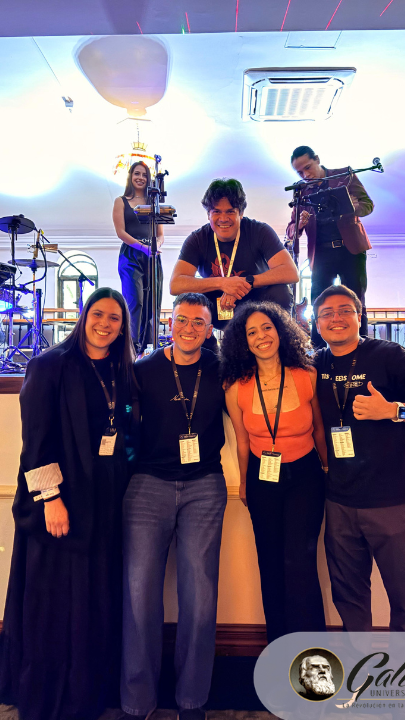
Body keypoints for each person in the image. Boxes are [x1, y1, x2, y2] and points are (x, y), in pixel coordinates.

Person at [0, 287, 136, 720]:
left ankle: (86, 693)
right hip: (59, 502)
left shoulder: (120, 369)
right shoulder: (49, 365)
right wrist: (52, 500)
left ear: (123, 327)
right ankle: (51, 698)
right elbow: (35, 441)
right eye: (98, 315)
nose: (105, 324)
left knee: (92, 600)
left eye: (114, 318)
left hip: (103, 503)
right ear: (83, 316)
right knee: (55, 604)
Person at [313, 284, 405, 632]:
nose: (336, 318)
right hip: (339, 502)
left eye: (345, 310)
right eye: (327, 313)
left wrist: (393, 410)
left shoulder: (390, 355)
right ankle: (359, 664)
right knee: (350, 601)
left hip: (394, 502)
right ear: (317, 323)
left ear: (359, 316)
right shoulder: (315, 364)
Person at [121, 292, 227, 720]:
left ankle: (192, 700)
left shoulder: (221, 369)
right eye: (182, 320)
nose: (189, 329)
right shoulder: (143, 370)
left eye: (199, 322)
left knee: (200, 597)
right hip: (147, 486)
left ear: (209, 329)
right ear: (170, 322)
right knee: (139, 595)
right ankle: (137, 701)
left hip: (205, 487)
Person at [221, 301, 328, 643]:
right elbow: (241, 441)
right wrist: (243, 483)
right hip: (261, 479)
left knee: (300, 563)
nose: (261, 336)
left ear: (280, 331)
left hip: (305, 477)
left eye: (267, 327)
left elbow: (319, 430)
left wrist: (327, 467)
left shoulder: (307, 374)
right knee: (270, 563)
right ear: (243, 341)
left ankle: (311, 652)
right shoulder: (235, 387)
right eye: (251, 332)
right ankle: (279, 648)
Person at [170, 178, 298, 330]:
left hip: (256, 302)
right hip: (217, 305)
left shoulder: (259, 231)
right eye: (216, 211)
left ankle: (276, 342)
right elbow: (176, 285)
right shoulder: (197, 239)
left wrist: (244, 283)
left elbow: (291, 272)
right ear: (208, 214)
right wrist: (223, 283)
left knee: (281, 292)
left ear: (241, 213)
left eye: (230, 211)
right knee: (186, 298)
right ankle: (204, 344)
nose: (223, 219)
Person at [286, 146, 374, 347]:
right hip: (321, 253)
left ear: (317, 159)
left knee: (357, 299)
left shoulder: (345, 176)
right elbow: (290, 231)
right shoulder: (301, 191)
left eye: (308, 167)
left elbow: (368, 205)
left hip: (351, 250)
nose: (305, 175)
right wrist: (299, 224)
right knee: (318, 300)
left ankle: (362, 347)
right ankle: (318, 350)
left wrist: (354, 207)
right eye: (299, 173)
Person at [113, 161, 164, 353]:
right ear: (130, 176)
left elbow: (160, 235)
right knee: (135, 302)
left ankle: (150, 348)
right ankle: (131, 348)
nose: (140, 178)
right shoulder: (120, 201)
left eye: (144, 174)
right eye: (137, 173)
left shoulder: (154, 203)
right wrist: (143, 247)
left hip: (152, 256)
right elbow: (121, 232)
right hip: (131, 255)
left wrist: (155, 247)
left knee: (153, 303)